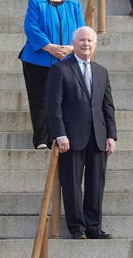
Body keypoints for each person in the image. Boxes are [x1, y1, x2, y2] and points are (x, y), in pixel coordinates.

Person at [47, 26, 117, 239]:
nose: (86, 44)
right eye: (81, 40)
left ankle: (94, 227)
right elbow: (53, 105)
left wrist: (111, 136)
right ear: (73, 44)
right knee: (72, 185)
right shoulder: (60, 69)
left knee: (96, 184)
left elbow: (107, 106)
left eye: (90, 41)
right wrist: (60, 134)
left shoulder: (101, 71)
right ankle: (77, 228)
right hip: (71, 137)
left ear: (95, 44)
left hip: (97, 136)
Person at [20, 0, 84, 149]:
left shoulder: (74, 5)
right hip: (37, 60)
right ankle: (41, 139)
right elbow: (31, 28)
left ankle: (61, 136)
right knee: (39, 100)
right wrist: (50, 48)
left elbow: (81, 29)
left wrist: (71, 48)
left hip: (66, 60)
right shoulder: (35, 3)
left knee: (63, 99)